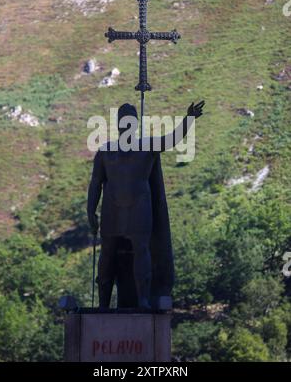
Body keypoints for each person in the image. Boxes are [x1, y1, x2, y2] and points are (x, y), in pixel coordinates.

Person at [87, 100, 205, 309]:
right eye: (123, 120)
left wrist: (189, 119)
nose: (127, 124)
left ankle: (143, 298)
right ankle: (103, 303)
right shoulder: (106, 152)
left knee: (142, 250)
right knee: (107, 254)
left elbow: (172, 139)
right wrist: (91, 211)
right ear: (118, 123)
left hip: (139, 208)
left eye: (131, 120)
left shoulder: (147, 146)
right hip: (112, 209)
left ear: (136, 123)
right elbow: (95, 183)